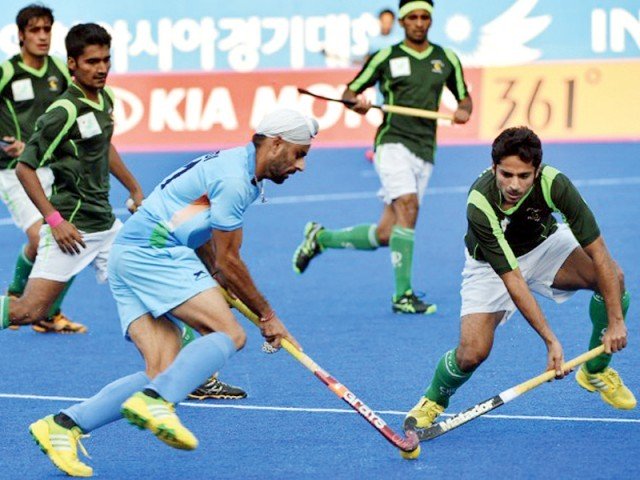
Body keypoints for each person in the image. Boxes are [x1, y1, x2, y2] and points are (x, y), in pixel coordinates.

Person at [27, 108, 318, 477]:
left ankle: (63, 424)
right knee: (229, 334)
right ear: (276, 143)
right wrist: (268, 316)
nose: (301, 166)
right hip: (155, 252)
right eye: (300, 153)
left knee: (162, 370)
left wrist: (214, 273)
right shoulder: (235, 179)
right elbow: (231, 261)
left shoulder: (233, 167)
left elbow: (195, 224)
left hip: (129, 254)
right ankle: (159, 403)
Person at [404, 126, 635, 432]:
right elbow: (513, 279)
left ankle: (595, 371)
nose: (514, 184)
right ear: (494, 167)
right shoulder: (480, 202)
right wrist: (551, 341)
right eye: (506, 174)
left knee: (614, 281)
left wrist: (616, 320)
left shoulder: (555, 184)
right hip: (490, 266)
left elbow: (600, 253)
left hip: (545, 246)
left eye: (523, 176)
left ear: (536, 171)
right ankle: (433, 400)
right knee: (471, 353)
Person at [293, 0, 472, 314]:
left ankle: (320, 238)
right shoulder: (386, 56)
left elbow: (464, 97)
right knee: (409, 206)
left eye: (424, 17)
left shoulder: (446, 59)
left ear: (430, 20)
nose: (418, 22)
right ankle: (402, 296)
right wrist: (356, 103)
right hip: (392, 143)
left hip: (425, 148)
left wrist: (463, 111)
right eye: (412, 17)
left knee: (388, 233)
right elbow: (351, 91)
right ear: (402, 22)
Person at [0, 4, 82, 333]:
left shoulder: (59, 71)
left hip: (52, 170)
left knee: (70, 237)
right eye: (35, 30)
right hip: (14, 172)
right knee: (47, 235)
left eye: (47, 29)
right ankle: (21, 303)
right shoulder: (7, 72)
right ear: (20, 35)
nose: (42, 36)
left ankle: (43, 310)